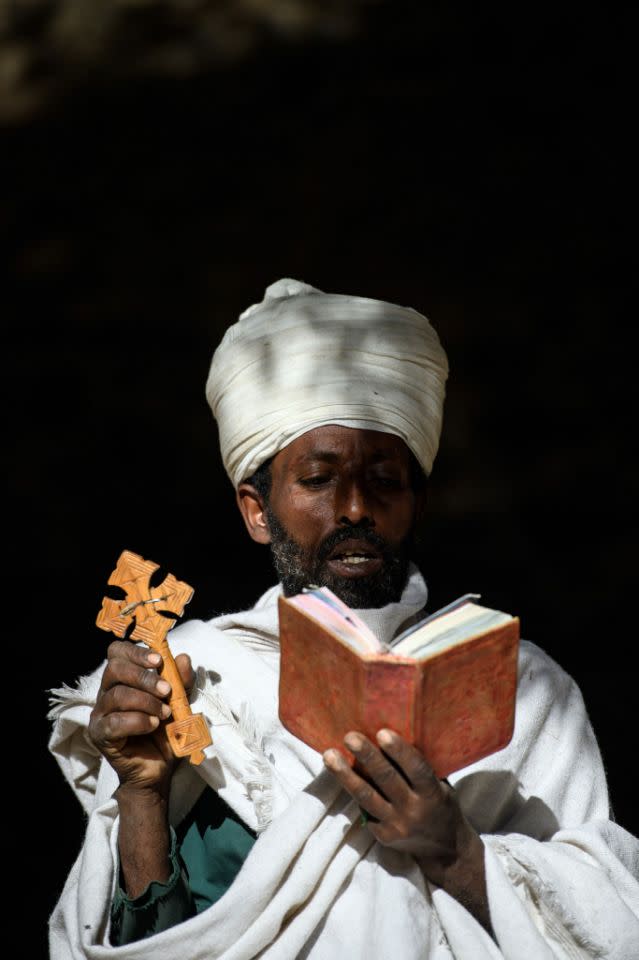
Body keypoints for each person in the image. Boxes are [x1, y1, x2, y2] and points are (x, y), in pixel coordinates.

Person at [48, 278, 639, 959]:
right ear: (256, 509)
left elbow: (606, 918)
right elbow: (149, 941)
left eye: (384, 479)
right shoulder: (190, 682)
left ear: (418, 502)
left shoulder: (523, 688)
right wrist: (143, 797)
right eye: (318, 478)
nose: (354, 508)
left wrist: (455, 852)